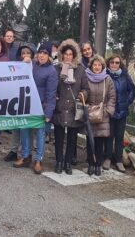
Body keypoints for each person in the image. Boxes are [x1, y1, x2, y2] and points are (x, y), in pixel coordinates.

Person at [14, 43, 58, 174]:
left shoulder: (51, 71)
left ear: (49, 56)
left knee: (40, 134)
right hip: (26, 105)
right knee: (24, 130)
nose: (42, 55)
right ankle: (26, 156)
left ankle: (38, 160)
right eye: (40, 53)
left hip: (41, 107)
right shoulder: (32, 65)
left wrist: (49, 112)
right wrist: (25, 62)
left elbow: (51, 93)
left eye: (45, 53)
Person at [52, 39, 89, 175]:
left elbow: (86, 88)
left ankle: (68, 163)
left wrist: (82, 94)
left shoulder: (80, 69)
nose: (68, 57)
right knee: (59, 137)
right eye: (65, 54)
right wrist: (54, 95)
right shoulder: (56, 69)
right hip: (60, 107)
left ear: (74, 55)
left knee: (72, 139)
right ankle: (59, 162)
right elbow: (52, 85)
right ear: (62, 55)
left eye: (70, 54)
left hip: (74, 108)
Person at [85, 55, 116, 176]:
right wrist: (85, 108)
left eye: (99, 65)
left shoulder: (107, 79)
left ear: (102, 66)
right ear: (91, 66)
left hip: (103, 114)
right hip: (90, 112)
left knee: (100, 141)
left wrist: (108, 111)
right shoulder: (86, 78)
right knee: (90, 140)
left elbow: (112, 97)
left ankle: (98, 164)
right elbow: (83, 93)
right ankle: (90, 163)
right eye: (94, 65)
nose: (97, 67)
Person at [104, 54, 135, 172]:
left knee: (119, 136)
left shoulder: (125, 76)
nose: (114, 65)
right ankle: (107, 158)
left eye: (117, 62)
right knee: (109, 135)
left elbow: (132, 90)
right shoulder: (105, 75)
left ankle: (118, 160)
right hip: (110, 111)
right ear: (108, 63)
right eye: (112, 62)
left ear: (120, 64)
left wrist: (127, 102)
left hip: (122, 111)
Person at [6, 42, 36, 163]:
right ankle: (13, 151)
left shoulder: (36, 66)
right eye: (23, 53)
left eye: (28, 53)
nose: (25, 55)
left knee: (28, 128)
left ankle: (26, 152)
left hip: (30, 101)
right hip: (17, 99)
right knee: (15, 127)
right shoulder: (16, 66)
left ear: (32, 55)